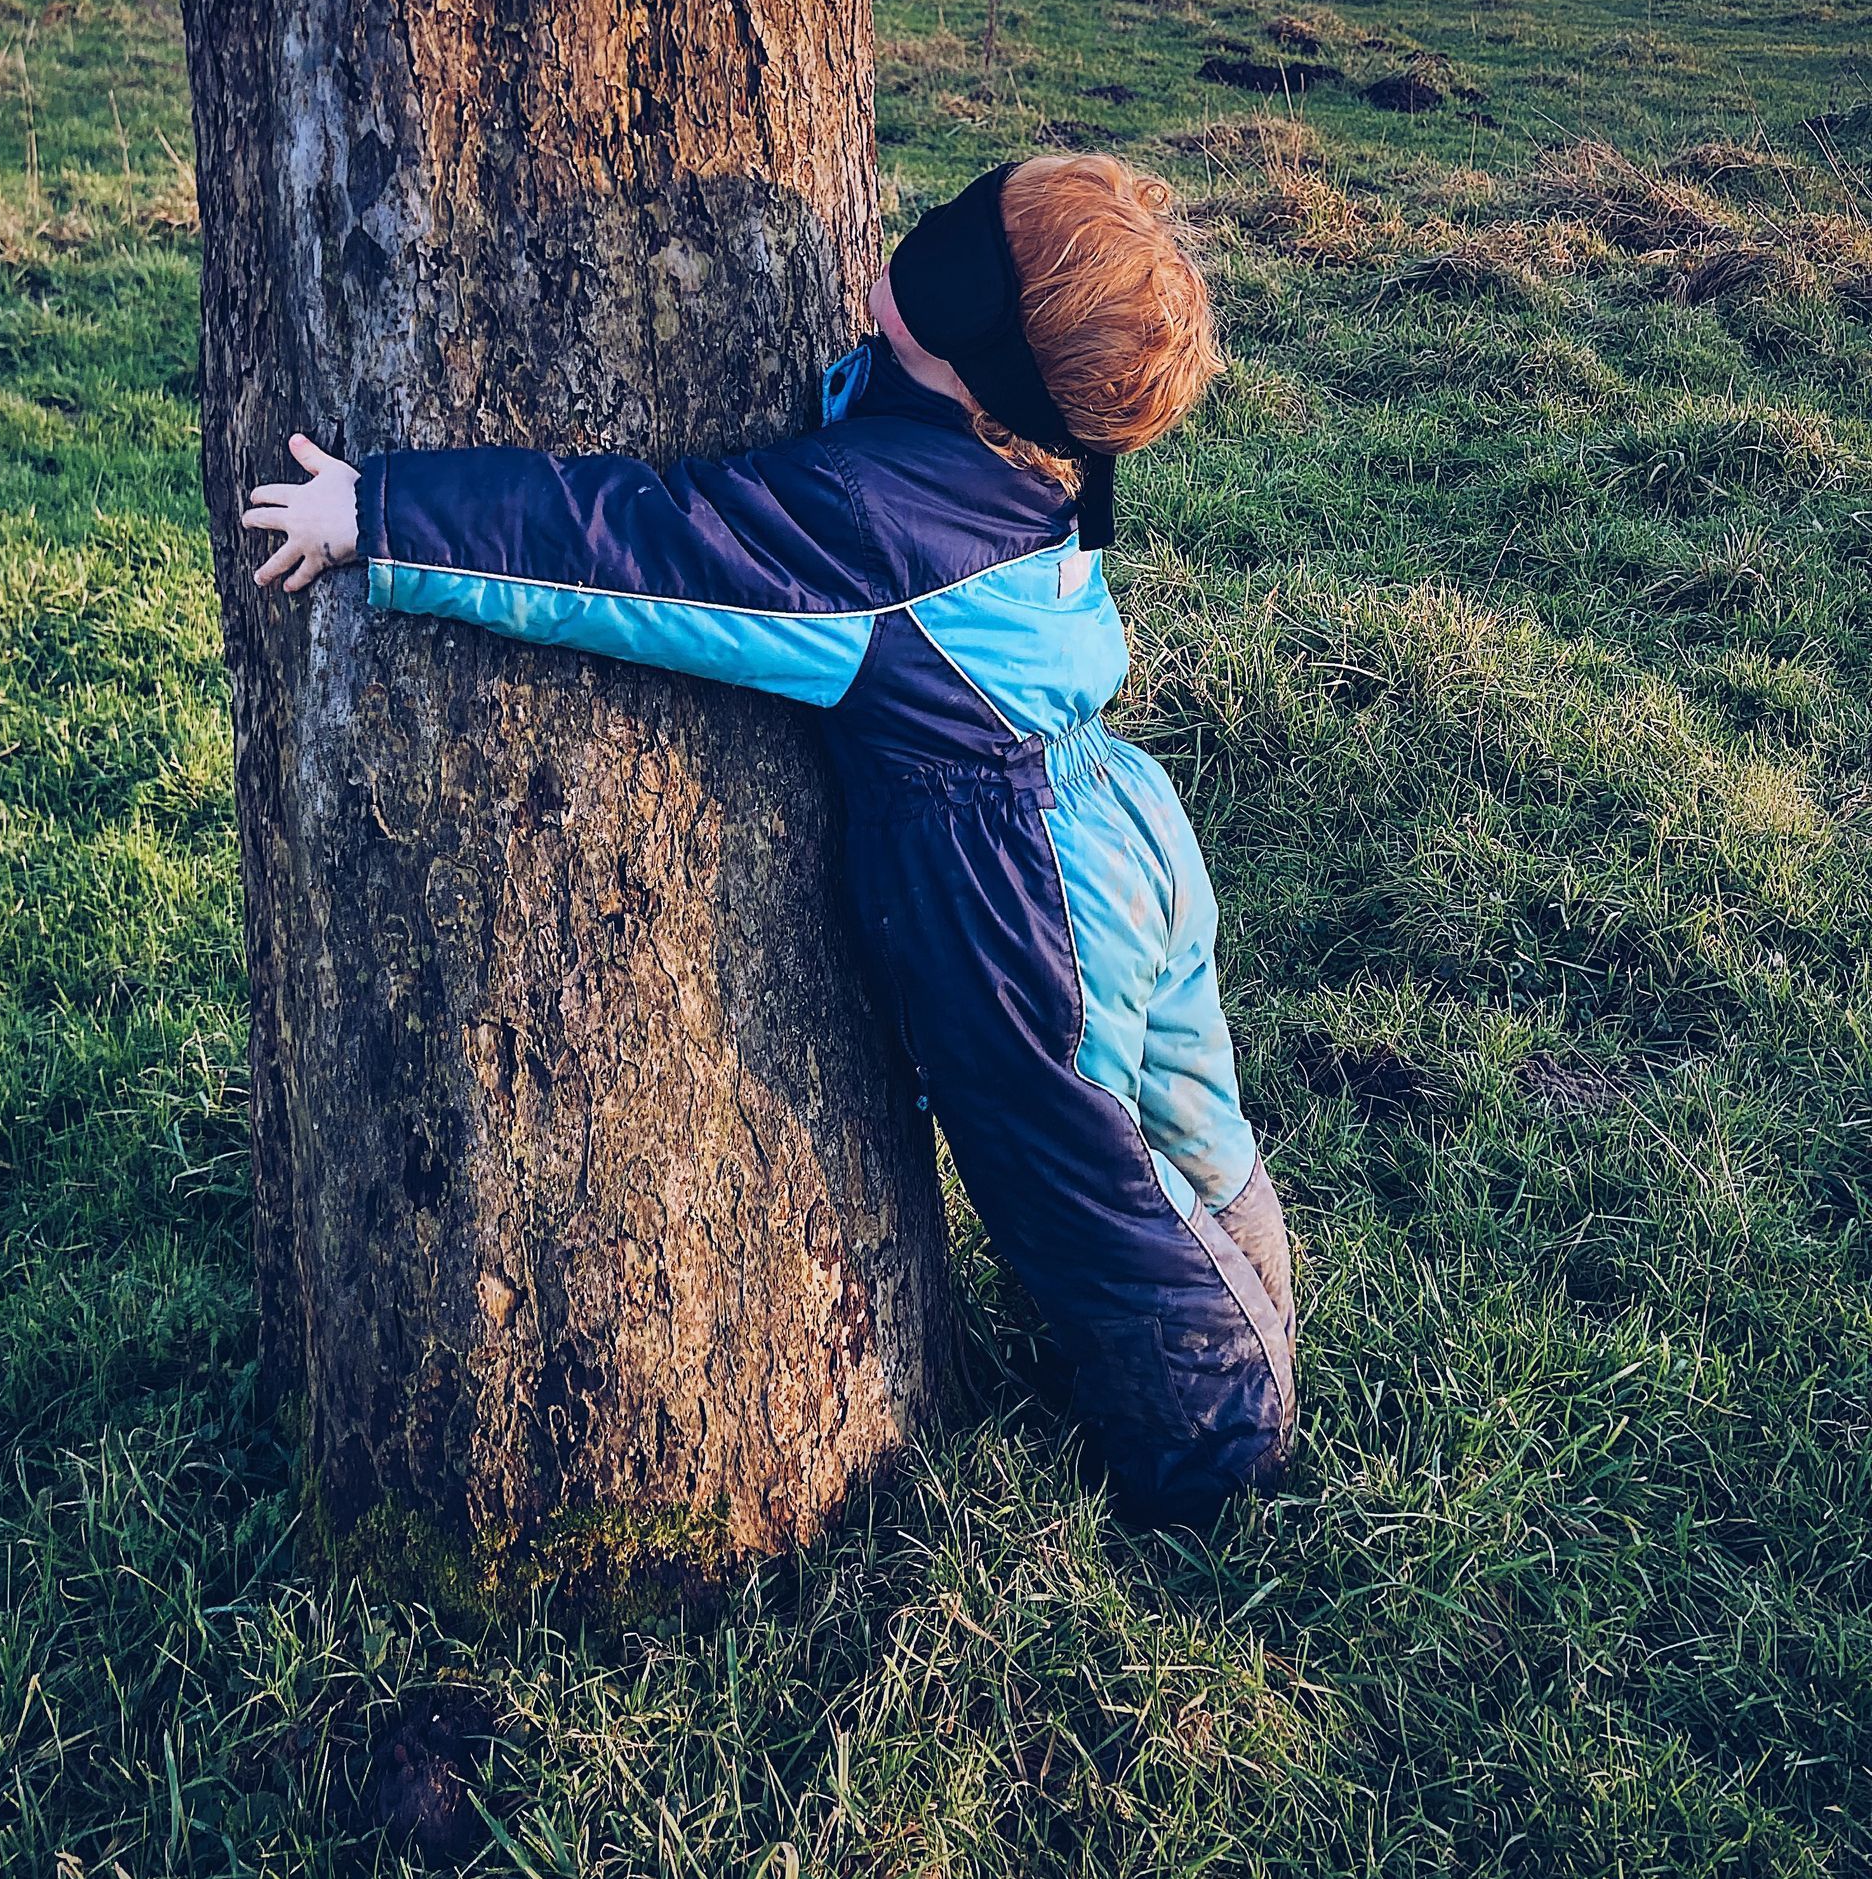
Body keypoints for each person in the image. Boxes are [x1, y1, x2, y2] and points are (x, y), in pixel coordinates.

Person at [243, 153, 1296, 1527]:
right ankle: (1259, 1304)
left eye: (960, 272)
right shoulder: (1026, 446)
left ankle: (1219, 1455)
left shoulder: (867, 535)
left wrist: (379, 514)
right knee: (1181, 1113)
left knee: (1080, 1181)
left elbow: (634, 553)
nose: (918, 256)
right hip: (1118, 810)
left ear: (989, 368)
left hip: (1024, 891)